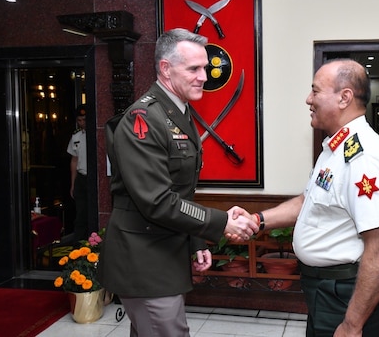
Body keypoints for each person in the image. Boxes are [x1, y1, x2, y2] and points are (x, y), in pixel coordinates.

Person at [97, 28, 258, 337]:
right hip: (144, 259)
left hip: (164, 253)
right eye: (194, 68)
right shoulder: (142, 118)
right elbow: (156, 200)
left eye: (204, 67)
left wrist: (196, 241)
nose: (203, 76)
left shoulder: (178, 112)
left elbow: (180, 191)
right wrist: (222, 222)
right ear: (166, 69)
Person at [250, 59, 379, 336]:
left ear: (344, 97)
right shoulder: (336, 148)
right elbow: (308, 201)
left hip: (349, 296)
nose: (308, 99)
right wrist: (257, 220)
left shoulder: (364, 159)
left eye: (315, 91)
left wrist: (352, 325)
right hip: (328, 292)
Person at [66, 104, 89, 242]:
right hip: (81, 178)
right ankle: (79, 244)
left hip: (93, 178)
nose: (82, 123)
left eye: (85, 119)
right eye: (80, 120)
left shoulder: (99, 135)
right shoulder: (76, 136)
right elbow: (74, 161)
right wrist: (73, 183)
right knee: (80, 214)